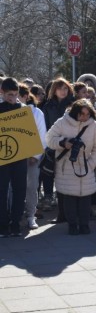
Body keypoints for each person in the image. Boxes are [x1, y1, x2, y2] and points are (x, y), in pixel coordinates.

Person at [46, 99, 96, 235]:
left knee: (85, 196)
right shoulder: (62, 122)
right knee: (69, 196)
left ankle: (84, 224)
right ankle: (72, 224)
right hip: (66, 165)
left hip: (85, 164)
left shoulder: (94, 126)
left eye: (87, 114)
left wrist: (91, 163)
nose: (85, 117)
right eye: (82, 114)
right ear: (75, 112)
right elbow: (49, 139)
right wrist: (63, 142)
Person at [41, 78, 75, 218]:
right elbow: (45, 125)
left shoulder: (73, 105)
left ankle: (66, 201)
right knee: (48, 171)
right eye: (60, 88)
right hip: (52, 143)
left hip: (69, 144)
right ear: (54, 90)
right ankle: (48, 196)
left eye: (66, 88)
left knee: (65, 174)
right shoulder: (48, 106)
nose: (63, 91)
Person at [0, 78, 29, 237]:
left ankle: (16, 222)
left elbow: (28, 134)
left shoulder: (22, 109)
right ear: (2, 93)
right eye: (9, 95)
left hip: (20, 155)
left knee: (20, 189)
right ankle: (2, 224)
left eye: (15, 95)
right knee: (1, 190)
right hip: (2, 156)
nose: (13, 98)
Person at [18, 84, 47, 230]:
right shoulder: (6, 110)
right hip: (12, 158)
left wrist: (35, 155)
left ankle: (30, 216)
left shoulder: (37, 113)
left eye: (19, 96)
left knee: (31, 186)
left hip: (31, 159)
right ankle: (14, 217)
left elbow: (42, 136)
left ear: (25, 96)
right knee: (13, 188)